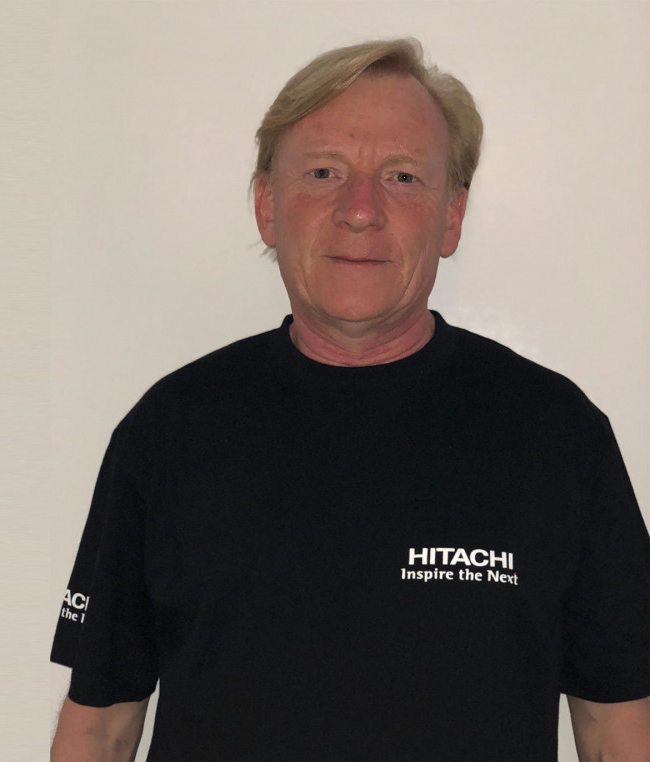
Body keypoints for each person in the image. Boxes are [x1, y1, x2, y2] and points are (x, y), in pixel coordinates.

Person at [49, 38, 650, 761]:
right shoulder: (169, 430)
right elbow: (100, 726)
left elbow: (618, 729)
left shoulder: (559, 435)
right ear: (267, 207)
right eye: (323, 172)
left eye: (402, 177)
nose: (360, 210)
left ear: (451, 217)